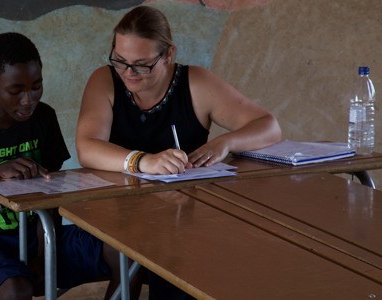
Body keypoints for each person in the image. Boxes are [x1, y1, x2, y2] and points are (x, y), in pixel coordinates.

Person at [76, 6, 281, 299]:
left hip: (182, 219)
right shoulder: (106, 80)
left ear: (168, 55)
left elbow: (269, 126)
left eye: (142, 64)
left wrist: (225, 143)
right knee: (135, 248)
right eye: (120, 60)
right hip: (117, 212)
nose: (129, 73)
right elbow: (87, 147)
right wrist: (143, 161)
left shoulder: (195, 83)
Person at [0, 32, 129, 300]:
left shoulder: (44, 118)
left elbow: (50, 199)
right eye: (15, 91)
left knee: (126, 252)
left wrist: (41, 254)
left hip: (39, 234)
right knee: (16, 288)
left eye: (36, 86)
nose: (28, 100)